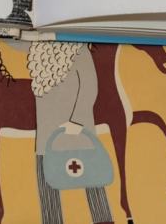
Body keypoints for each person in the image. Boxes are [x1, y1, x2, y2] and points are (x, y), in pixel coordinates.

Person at [26, 41, 113, 224]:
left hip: (78, 135)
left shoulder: (79, 51)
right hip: (47, 137)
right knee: (48, 190)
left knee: (94, 182)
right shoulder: (38, 53)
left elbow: (89, 87)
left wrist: (77, 122)